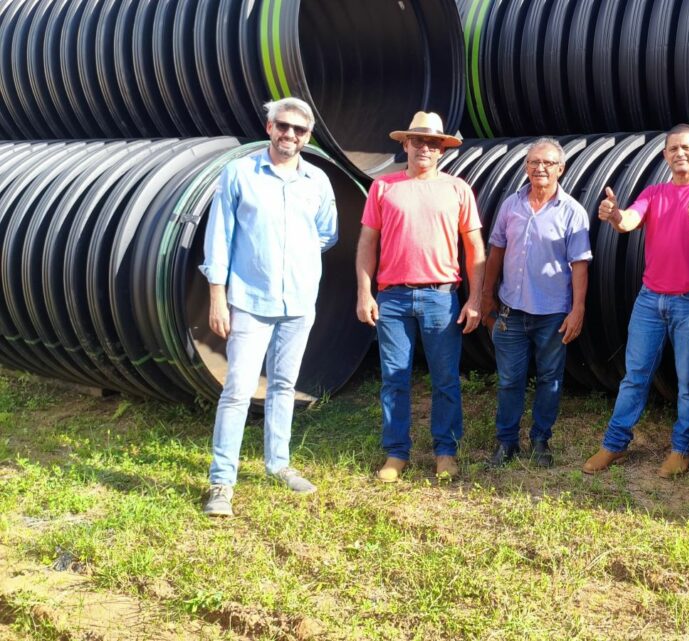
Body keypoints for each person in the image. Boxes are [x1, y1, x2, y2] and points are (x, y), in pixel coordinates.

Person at [201, 97, 337, 517]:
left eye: (298, 130)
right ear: (269, 127)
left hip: (298, 302)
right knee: (238, 389)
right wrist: (217, 297)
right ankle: (222, 481)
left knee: (283, 386)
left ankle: (278, 464)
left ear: (308, 137)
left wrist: (295, 260)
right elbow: (219, 238)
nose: (290, 135)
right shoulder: (239, 173)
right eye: (283, 126)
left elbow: (326, 234)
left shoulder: (317, 181)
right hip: (249, 302)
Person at [583, 124, 689, 478]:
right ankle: (614, 444)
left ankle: (683, 449)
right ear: (665, 155)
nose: (679, 154)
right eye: (672, 149)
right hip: (650, 299)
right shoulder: (655, 192)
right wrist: (616, 215)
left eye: (686, 147)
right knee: (635, 376)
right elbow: (630, 220)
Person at [356, 111, 485, 483]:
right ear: (405, 144)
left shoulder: (458, 189)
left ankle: (445, 452)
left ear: (442, 149)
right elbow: (367, 242)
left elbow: (474, 247)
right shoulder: (384, 188)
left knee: (445, 379)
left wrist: (475, 297)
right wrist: (365, 292)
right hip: (393, 299)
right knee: (395, 379)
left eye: (432, 142)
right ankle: (396, 454)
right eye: (418, 141)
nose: (424, 147)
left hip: (441, 298)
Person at [481, 138, 592, 468]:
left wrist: (578, 310)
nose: (539, 168)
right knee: (509, 379)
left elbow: (580, 265)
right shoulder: (511, 206)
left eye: (546, 163)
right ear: (526, 167)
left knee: (550, 378)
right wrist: (486, 295)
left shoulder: (572, 212)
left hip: (552, 314)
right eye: (532, 162)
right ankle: (507, 443)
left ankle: (541, 440)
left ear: (561, 168)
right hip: (510, 310)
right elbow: (496, 250)